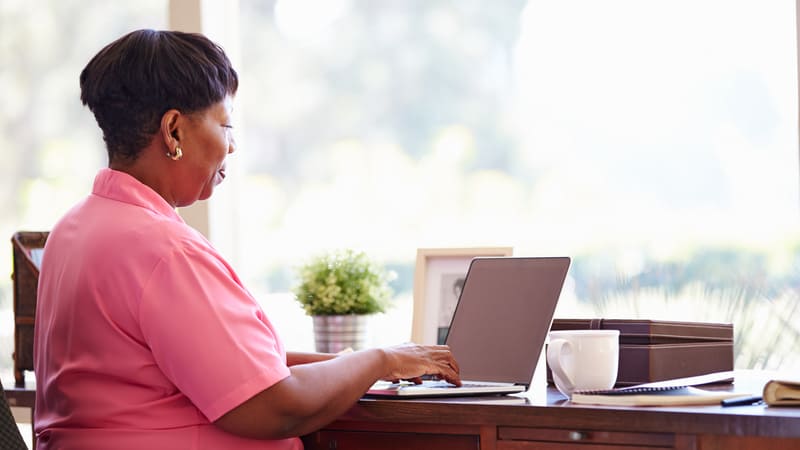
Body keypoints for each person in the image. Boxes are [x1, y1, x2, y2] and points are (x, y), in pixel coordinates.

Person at [33, 29, 461, 450]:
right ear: (174, 131)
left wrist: (368, 362)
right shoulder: (163, 249)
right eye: (225, 124)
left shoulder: (74, 230)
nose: (232, 146)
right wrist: (380, 361)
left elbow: (238, 368)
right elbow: (274, 404)